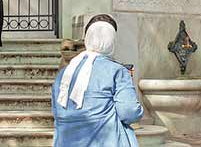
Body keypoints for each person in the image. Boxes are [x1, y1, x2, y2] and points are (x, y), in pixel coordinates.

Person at [52, 14, 142, 146]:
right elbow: (130, 112)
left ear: (88, 39)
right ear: (112, 41)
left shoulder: (64, 74)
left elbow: (57, 113)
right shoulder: (116, 71)